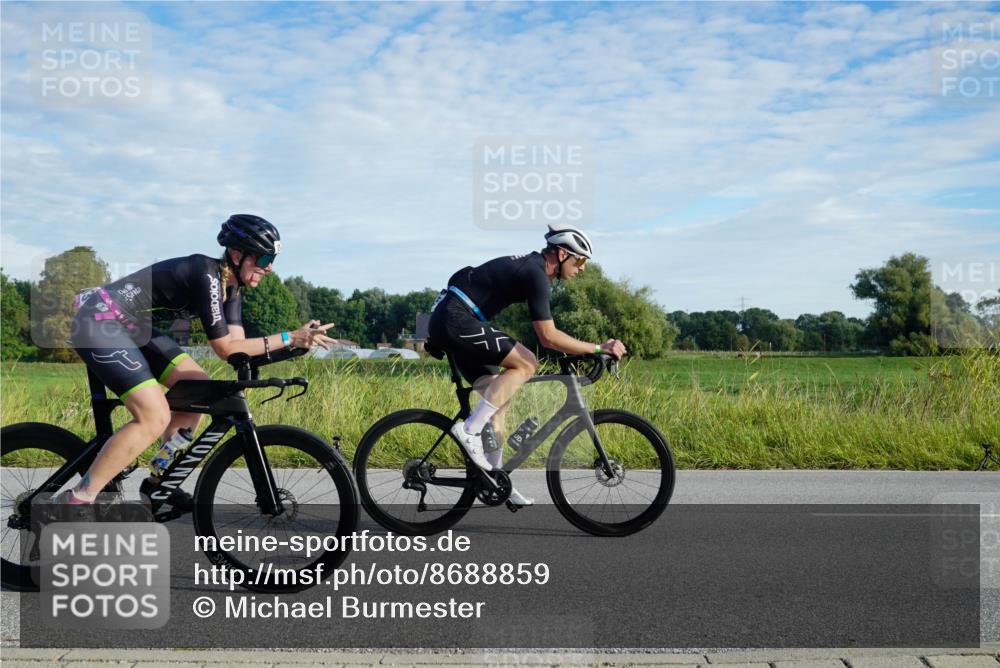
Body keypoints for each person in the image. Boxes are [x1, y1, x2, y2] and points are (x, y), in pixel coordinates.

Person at [62, 214, 335, 506]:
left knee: (199, 390)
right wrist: (289, 337)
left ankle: (159, 481)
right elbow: (224, 348)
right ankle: (78, 499)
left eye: (273, 260)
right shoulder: (206, 274)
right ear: (237, 255)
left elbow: (239, 350)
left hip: (130, 327)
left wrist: (296, 346)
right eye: (264, 258)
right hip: (100, 321)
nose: (269, 267)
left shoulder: (232, 290)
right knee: (154, 417)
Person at [427, 223, 627, 506]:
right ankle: (468, 430)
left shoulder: (532, 268)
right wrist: (598, 348)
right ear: (561, 254)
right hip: (456, 320)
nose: (582, 269)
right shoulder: (536, 273)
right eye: (580, 261)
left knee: (498, 399)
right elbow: (548, 337)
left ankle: (494, 480)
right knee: (527, 363)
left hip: (452, 319)